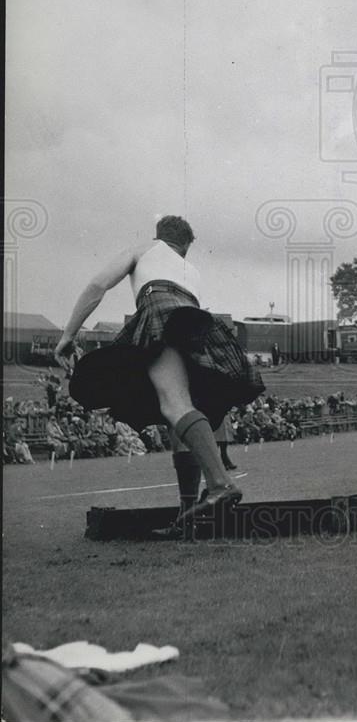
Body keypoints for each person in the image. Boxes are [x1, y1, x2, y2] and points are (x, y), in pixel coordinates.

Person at [54, 215, 264, 522]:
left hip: (162, 311)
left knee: (174, 403)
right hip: (195, 320)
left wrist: (68, 335)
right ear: (185, 244)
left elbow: (98, 285)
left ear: (159, 236)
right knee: (178, 416)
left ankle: (220, 484)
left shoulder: (145, 248)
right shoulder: (189, 269)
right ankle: (188, 509)